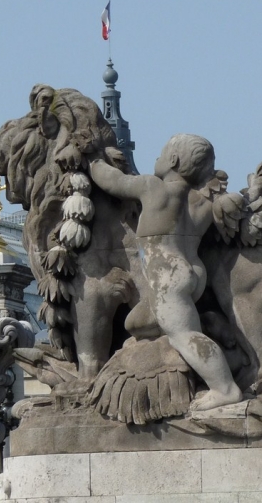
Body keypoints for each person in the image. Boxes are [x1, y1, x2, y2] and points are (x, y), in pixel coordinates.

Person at [89, 134, 243, 411]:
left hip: (166, 273)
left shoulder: (153, 187)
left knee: (184, 335)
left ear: (171, 160)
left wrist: (93, 161)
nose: (156, 160)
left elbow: (113, 181)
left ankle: (225, 389)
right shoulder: (202, 201)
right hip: (192, 270)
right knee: (135, 323)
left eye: (160, 155)